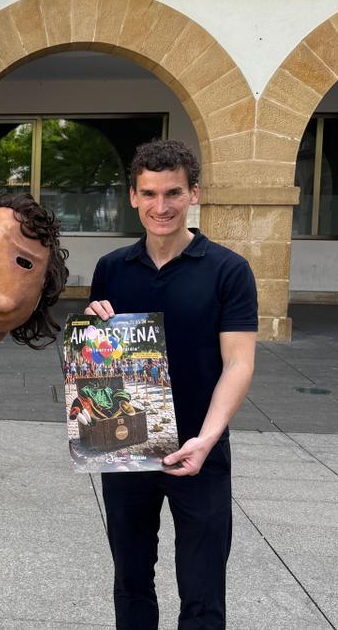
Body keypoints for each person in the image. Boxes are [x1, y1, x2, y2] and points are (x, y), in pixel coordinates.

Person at [85, 139, 257, 629]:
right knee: (132, 582)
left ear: (194, 194)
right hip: (128, 446)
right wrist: (95, 330)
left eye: (174, 193)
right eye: (150, 193)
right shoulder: (112, 269)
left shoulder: (228, 270)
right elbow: (103, 369)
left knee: (203, 593)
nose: (162, 207)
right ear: (133, 196)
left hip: (199, 449)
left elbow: (239, 363)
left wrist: (207, 439)